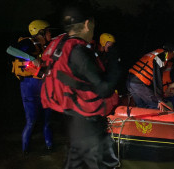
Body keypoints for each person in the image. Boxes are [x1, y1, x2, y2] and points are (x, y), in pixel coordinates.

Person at [40, 5, 120, 169]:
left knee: (75, 163)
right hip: (87, 124)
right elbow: (105, 89)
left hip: (70, 120)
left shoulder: (61, 46)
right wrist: (114, 60)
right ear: (87, 24)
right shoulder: (78, 51)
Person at [8, 20, 53, 155]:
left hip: (43, 87)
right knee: (31, 121)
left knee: (47, 120)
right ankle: (25, 150)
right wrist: (30, 58)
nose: (50, 33)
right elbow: (10, 49)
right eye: (48, 30)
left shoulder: (45, 46)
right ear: (41, 32)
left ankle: (50, 146)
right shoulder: (28, 43)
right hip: (29, 87)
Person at [127, 46, 174, 111]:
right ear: (170, 52)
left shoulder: (156, 52)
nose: (172, 57)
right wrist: (159, 99)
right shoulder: (161, 56)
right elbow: (157, 79)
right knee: (156, 106)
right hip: (139, 83)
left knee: (141, 106)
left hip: (130, 81)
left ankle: (142, 120)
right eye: (173, 55)